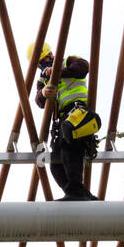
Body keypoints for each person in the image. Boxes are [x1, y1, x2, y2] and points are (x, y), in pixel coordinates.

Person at [29, 42, 100, 201]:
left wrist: (58, 72)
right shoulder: (43, 78)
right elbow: (38, 101)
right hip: (62, 121)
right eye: (40, 63)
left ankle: (76, 189)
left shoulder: (68, 61)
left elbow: (83, 68)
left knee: (70, 147)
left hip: (77, 112)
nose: (44, 64)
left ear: (51, 55)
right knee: (56, 164)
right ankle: (78, 193)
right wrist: (43, 92)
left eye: (46, 59)